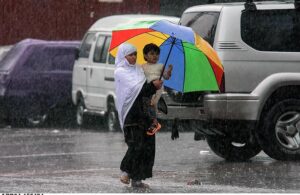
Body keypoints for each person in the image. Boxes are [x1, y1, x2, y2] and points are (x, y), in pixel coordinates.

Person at [114, 43, 163, 188]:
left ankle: (137, 179)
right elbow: (138, 89)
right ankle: (126, 171)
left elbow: (146, 90)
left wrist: (157, 83)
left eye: (135, 54)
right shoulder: (120, 72)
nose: (134, 57)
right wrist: (153, 86)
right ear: (124, 56)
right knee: (136, 145)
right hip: (132, 115)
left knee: (148, 147)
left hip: (145, 113)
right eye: (130, 54)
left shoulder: (138, 70)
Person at [142, 43, 172, 136]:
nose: (155, 56)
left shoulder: (160, 66)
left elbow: (166, 77)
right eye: (152, 54)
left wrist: (169, 71)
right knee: (147, 104)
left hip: (157, 88)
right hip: (148, 88)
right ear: (145, 55)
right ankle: (152, 121)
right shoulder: (142, 66)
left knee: (152, 103)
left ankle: (155, 123)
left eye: (157, 54)